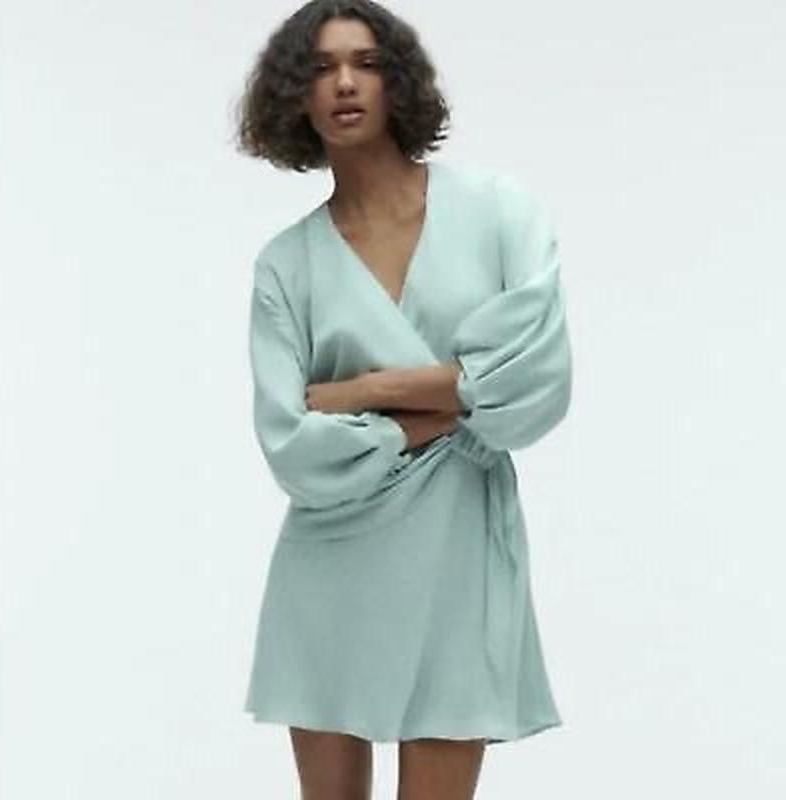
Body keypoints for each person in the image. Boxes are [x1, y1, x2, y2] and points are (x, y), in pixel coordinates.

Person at [233, 1, 573, 798]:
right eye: (320, 68)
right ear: (294, 95)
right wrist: (453, 402)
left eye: (366, 63)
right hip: (329, 564)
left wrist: (366, 392)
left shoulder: (499, 212)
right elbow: (293, 449)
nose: (344, 83)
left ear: (399, 81)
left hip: (459, 554)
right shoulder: (285, 265)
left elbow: (538, 379)